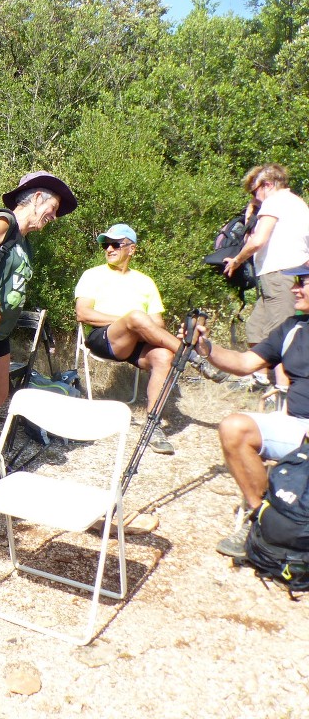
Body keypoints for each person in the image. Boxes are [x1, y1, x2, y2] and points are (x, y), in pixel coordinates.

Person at [0, 171, 76, 502]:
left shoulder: (22, 239)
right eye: (53, 206)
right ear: (35, 198)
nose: (54, 215)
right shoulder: (4, 222)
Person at [189, 262, 309, 559]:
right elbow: (244, 363)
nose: (295, 288)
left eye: (302, 282)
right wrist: (206, 348)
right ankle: (263, 519)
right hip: (296, 426)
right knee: (234, 427)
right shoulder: (292, 328)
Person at [75, 223, 226, 455]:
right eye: (106, 245)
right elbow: (83, 313)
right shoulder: (92, 275)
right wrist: (128, 322)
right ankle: (193, 357)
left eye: (116, 244)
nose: (109, 249)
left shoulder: (145, 282)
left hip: (137, 344)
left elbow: (158, 325)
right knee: (135, 316)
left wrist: (137, 325)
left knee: (164, 356)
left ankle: (153, 426)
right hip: (104, 339)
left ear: (131, 249)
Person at [224, 164, 309, 386]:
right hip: (280, 274)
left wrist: (236, 260)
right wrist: (251, 211)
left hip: (281, 274)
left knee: (279, 331)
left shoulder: (275, 201)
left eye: (254, 192)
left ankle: (282, 390)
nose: (254, 197)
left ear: (268, 184)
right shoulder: (296, 203)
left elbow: (258, 240)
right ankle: (259, 377)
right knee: (256, 325)